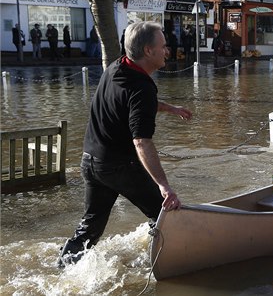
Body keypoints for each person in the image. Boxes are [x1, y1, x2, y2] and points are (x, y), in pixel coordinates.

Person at [57, 21, 193, 267]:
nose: (167, 51)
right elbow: (141, 141)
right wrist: (164, 186)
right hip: (118, 166)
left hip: (91, 162)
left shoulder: (116, 67)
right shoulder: (142, 88)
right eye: (163, 46)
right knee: (164, 213)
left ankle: (64, 266)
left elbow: (131, 104)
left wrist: (170, 108)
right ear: (148, 51)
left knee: (90, 228)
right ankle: (176, 263)